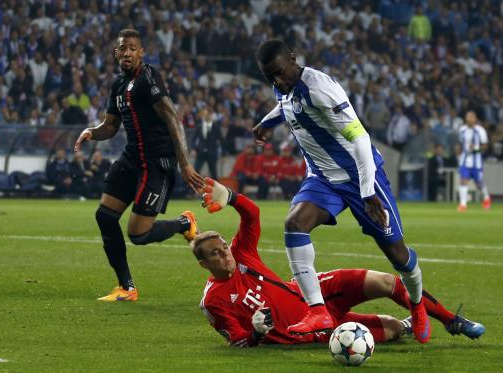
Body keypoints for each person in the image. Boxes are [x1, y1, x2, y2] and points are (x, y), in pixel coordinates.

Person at [251, 39, 431, 343]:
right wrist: (267, 122)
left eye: (280, 73)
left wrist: (367, 193)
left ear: (293, 59)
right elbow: (287, 106)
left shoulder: (321, 89)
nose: (277, 81)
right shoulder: (283, 85)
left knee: (398, 254)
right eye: (270, 77)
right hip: (322, 178)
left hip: (360, 176)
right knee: (295, 224)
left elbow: (359, 138)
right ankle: (317, 310)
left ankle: (417, 307)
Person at [193, 177, 485, 347]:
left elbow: (252, 214)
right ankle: (406, 325)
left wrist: (231, 197)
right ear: (204, 264)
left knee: (386, 281)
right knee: (392, 329)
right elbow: (237, 341)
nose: (225, 254)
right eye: (216, 254)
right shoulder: (214, 301)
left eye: (223, 247)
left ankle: (451, 320)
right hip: (305, 330)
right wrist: (256, 334)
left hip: (311, 292)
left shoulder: (241, 252)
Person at [74, 28, 205, 302]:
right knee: (105, 217)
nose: (127, 53)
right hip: (132, 158)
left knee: (139, 234)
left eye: (133, 48)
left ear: (141, 53)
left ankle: (184, 223)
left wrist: (184, 163)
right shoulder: (118, 85)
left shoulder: (148, 77)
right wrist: (91, 132)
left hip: (156, 163)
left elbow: (173, 118)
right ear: (115, 53)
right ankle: (127, 287)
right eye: (122, 48)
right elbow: (110, 126)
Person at [456, 110, 491, 211]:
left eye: (471, 117)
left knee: (479, 183)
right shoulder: (462, 129)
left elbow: (485, 146)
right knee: (463, 180)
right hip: (464, 160)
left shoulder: (480, 130)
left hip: (477, 162)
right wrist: (458, 153)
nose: (469, 119)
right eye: (468, 117)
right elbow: (459, 143)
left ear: (475, 119)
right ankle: (463, 204)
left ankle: (486, 198)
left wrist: (476, 148)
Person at [192, 107, 224, 180]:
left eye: (209, 114)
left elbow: (221, 140)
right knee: (195, 170)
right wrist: (194, 149)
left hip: (212, 152)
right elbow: (194, 139)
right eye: (205, 114)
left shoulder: (216, 127)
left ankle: (216, 190)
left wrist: (223, 154)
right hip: (200, 152)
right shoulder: (199, 126)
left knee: (213, 173)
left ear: (211, 115)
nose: (207, 116)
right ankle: (192, 189)